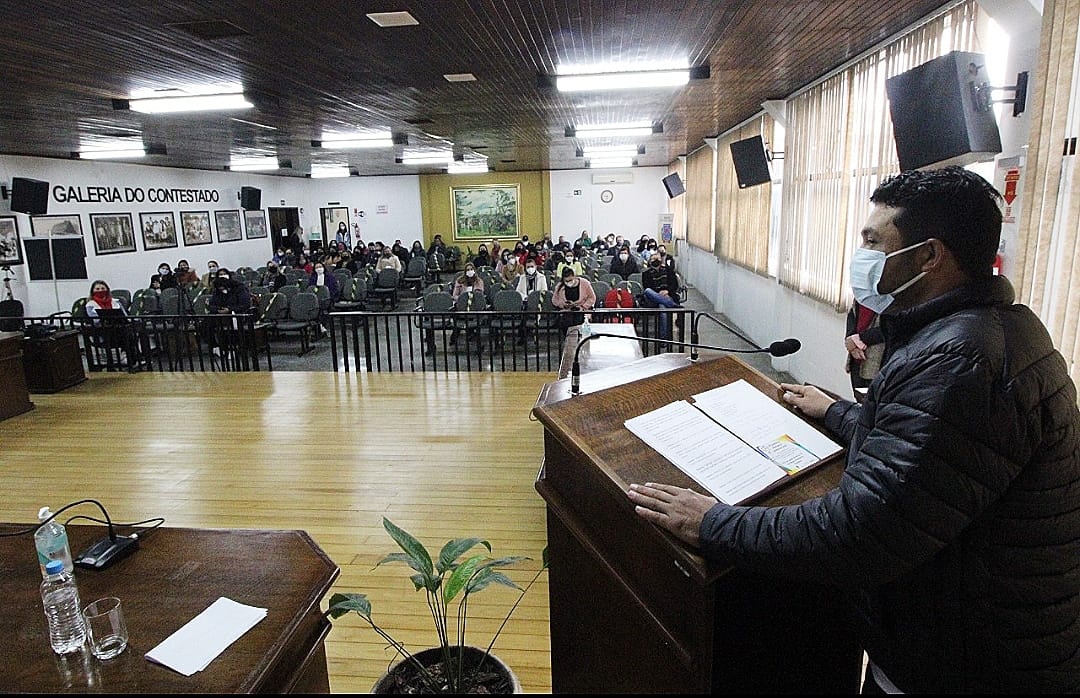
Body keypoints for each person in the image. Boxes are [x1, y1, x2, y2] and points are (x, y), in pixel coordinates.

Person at [626, 167, 1080, 694]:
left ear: (929, 256)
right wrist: (841, 415)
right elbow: (929, 454)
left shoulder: (961, 360)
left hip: (966, 663)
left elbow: (860, 532)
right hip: (965, 639)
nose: (860, 254)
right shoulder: (989, 329)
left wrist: (714, 523)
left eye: (873, 240)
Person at [844, 300, 884, 401]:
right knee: (859, 400)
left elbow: (891, 327)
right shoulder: (863, 290)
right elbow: (852, 314)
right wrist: (850, 340)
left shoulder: (894, 296)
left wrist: (859, 339)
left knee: (871, 406)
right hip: (857, 361)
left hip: (876, 365)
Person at [641, 251, 681, 339]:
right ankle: (672, 305)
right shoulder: (646, 274)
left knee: (662, 308)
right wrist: (659, 293)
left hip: (668, 295)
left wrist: (667, 291)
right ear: (650, 261)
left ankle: (663, 338)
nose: (656, 260)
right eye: (653, 259)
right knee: (648, 291)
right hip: (654, 298)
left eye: (657, 258)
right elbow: (647, 286)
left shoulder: (669, 271)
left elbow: (674, 285)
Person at [551, 266, 595, 336]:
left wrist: (583, 306)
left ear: (574, 277)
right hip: (567, 311)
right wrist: (563, 305)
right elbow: (554, 300)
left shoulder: (585, 283)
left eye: (570, 280)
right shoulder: (559, 286)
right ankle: (568, 340)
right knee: (565, 321)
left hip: (581, 310)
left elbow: (592, 298)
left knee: (579, 321)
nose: (568, 282)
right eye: (566, 281)